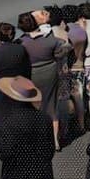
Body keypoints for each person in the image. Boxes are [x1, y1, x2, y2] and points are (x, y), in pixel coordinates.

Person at [20, 10, 73, 152]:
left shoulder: (21, 42)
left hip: (32, 74)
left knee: (35, 107)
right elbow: (66, 47)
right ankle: (55, 141)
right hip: (50, 72)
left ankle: (39, 140)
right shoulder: (49, 39)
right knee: (52, 106)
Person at [0, 22, 31, 130]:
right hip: (17, 81)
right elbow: (27, 67)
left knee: (1, 112)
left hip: (0, 83)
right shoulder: (20, 49)